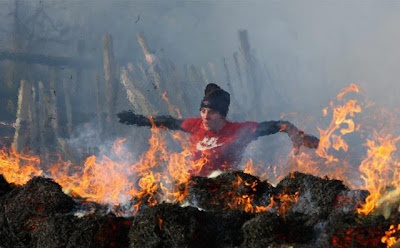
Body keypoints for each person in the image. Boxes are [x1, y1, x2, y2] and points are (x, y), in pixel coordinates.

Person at [118, 83, 319, 177]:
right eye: (203, 110)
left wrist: (297, 135)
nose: (205, 116)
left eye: (211, 112)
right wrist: (139, 120)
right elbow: (168, 122)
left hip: (223, 186)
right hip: (193, 188)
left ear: (222, 115)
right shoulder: (194, 125)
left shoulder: (239, 131)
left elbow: (277, 125)